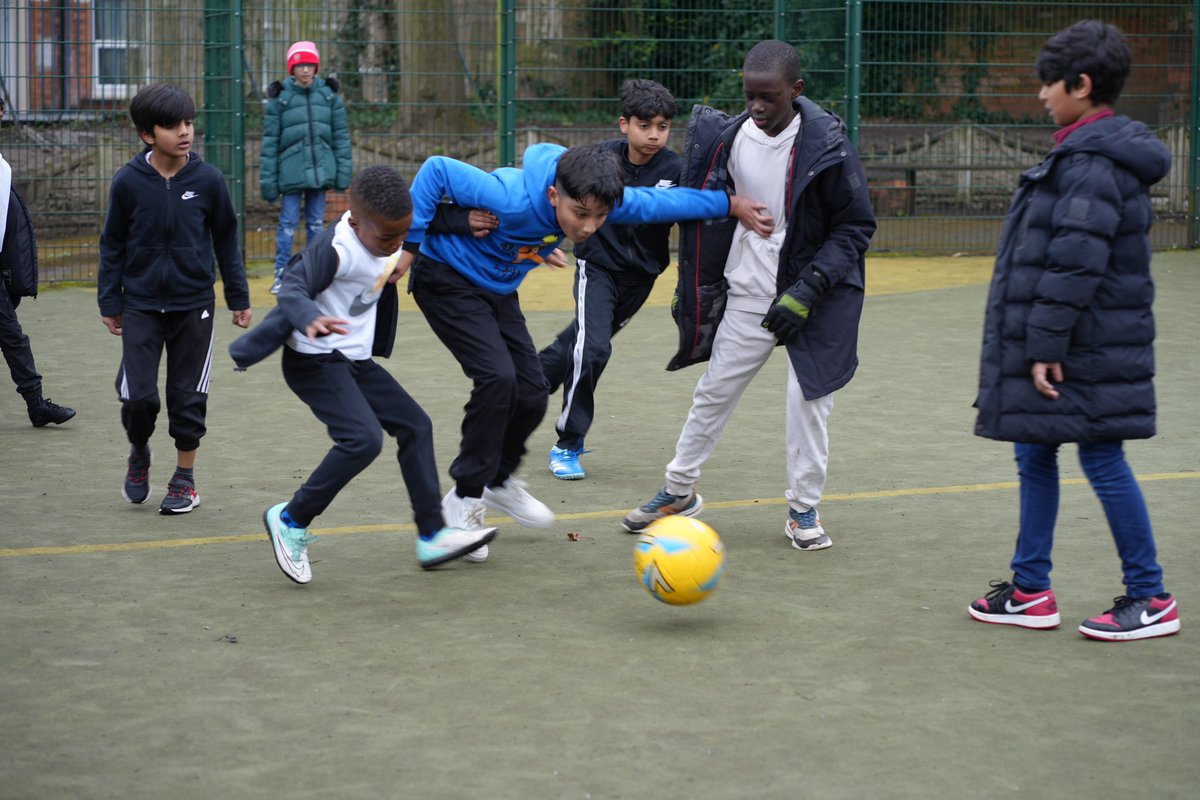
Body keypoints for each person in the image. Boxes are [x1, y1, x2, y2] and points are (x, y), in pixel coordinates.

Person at [396, 140, 772, 560]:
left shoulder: (593, 199)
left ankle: (496, 478)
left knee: (534, 389)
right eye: (580, 216)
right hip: (445, 279)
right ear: (554, 195)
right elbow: (435, 168)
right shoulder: (510, 198)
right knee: (497, 379)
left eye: (600, 217)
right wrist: (410, 246)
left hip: (496, 289)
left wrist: (730, 204)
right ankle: (462, 501)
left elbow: (659, 204)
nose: (590, 227)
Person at [967, 21, 1178, 642]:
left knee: (1101, 454)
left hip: (1083, 347)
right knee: (1034, 448)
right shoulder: (1083, 153)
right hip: (1076, 341)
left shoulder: (1092, 164)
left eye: (1047, 84)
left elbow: (1074, 263)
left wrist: (1044, 347)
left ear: (1081, 86)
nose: (1040, 95)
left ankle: (1151, 595)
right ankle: (1031, 589)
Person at [621, 40, 876, 553]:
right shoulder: (729, 137)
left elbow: (855, 227)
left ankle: (803, 508)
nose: (757, 108)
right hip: (750, 291)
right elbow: (708, 208)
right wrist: (698, 285)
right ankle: (678, 490)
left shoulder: (828, 144)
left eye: (770, 98)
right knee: (714, 391)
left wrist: (808, 288)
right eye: (750, 96)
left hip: (815, 296)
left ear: (796, 91)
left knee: (807, 403)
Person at [229, 166, 496, 583]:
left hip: (353, 360)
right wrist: (311, 317)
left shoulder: (389, 231)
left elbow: (424, 224)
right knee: (363, 440)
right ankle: (290, 519)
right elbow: (293, 286)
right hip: (314, 360)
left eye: (401, 235)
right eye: (387, 238)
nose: (395, 245)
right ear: (355, 221)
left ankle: (431, 535)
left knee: (416, 426)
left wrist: (463, 223)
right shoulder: (336, 248)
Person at [98, 83, 252, 514]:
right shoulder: (128, 182)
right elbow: (112, 245)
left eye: (188, 122)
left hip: (194, 306)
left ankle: (185, 479)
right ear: (148, 134)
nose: (185, 132)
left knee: (188, 397)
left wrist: (237, 298)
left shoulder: (208, 181)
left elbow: (226, 242)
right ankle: (139, 450)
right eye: (171, 125)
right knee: (138, 399)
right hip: (141, 305)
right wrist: (110, 302)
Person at [538, 79, 684, 480]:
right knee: (593, 349)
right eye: (644, 125)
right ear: (624, 124)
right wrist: (540, 241)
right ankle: (568, 443)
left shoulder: (676, 169)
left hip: (641, 279)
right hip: (597, 268)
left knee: (577, 344)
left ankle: (524, 387)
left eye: (663, 126)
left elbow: (692, 220)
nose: (654, 134)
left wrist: (689, 274)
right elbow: (553, 193)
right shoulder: (599, 158)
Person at [260, 40, 352, 295]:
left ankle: (315, 272)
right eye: (299, 65)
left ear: (316, 67)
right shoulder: (281, 100)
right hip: (290, 174)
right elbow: (270, 144)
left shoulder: (329, 98)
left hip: (320, 173)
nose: (305, 70)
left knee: (315, 225)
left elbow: (341, 138)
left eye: (310, 64)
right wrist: (268, 183)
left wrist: (343, 175)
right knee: (287, 223)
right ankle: (282, 273)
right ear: (292, 68)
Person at [0, 122, 75, 428]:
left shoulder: (3, 167)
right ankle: (36, 404)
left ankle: (37, 405)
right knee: (11, 335)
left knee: (10, 334)